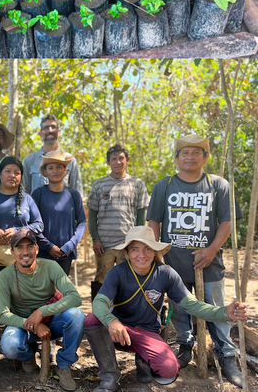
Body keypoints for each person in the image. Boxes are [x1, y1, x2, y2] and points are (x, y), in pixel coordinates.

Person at [84, 226, 248, 392]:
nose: (142, 254)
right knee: (92, 320)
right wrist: (112, 321)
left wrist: (224, 312)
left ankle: (144, 363)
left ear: (155, 251)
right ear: (126, 253)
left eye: (148, 248)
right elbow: (99, 302)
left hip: (147, 332)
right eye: (135, 249)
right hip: (119, 331)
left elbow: (192, 305)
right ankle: (110, 376)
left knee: (169, 369)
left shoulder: (166, 273)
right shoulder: (117, 272)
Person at [146, 134, 245, 387]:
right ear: (176, 158)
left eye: (195, 152)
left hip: (209, 263)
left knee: (217, 308)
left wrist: (212, 250)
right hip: (173, 262)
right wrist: (157, 256)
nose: (189, 157)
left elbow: (227, 221)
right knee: (180, 308)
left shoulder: (218, 185)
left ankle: (226, 356)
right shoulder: (164, 186)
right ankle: (185, 347)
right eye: (184, 153)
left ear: (206, 157)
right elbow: (154, 222)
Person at [0, 229, 84, 391]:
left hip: (51, 321)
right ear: (12, 251)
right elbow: (2, 315)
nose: (25, 252)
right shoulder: (5, 276)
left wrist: (42, 312)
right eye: (19, 248)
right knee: (10, 346)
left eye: (29, 246)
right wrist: (35, 324)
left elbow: (74, 297)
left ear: (37, 249)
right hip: (23, 326)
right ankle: (28, 356)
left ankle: (64, 365)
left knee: (77, 315)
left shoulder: (50, 266)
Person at [0, 156, 44, 363]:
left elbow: (39, 225)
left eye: (17, 172)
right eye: (8, 171)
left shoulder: (27, 199)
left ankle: (28, 340)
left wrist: (18, 230)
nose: (12, 175)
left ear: (21, 176)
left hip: (22, 259)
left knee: (24, 298)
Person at [87, 144, 149, 299]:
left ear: (127, 160)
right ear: (108, 162)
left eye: (121, 158)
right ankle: (99, 313)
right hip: (104, 243)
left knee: (128, 278)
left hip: (127, 243)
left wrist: (137, 242)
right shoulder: (99, 184)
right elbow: (92, 215)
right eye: (113, 159)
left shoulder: (137, 184)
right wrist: (95, 239)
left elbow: (141, 215)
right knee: (102, 277)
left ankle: (125, 313)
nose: (117, 162)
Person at [31, 150, 86, 277]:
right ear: (45, 172)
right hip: (43, 253)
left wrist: (70, 245)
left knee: (62, 292)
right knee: (44, 292)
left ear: (65, 170)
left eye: (59, 167)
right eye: (50, 168)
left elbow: (82, 221)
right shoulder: (38, 194)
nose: (55, 171)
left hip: (65, 254)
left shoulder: (73, 195)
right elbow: (33, 224)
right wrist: (48, 246)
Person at [21, 114, 82, 195]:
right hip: (35, 207)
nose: (50, 130)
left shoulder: (70, 160)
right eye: (46, 128)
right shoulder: (29, 160)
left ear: (59, 132)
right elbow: (25, 193)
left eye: (53, 127)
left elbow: (77, 192)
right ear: (40, 133)